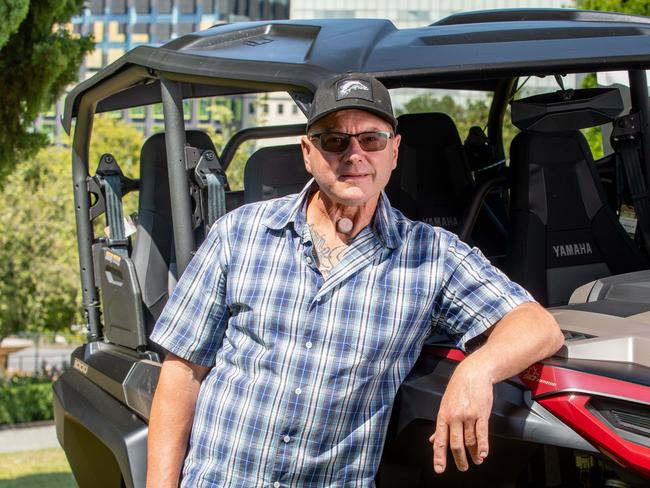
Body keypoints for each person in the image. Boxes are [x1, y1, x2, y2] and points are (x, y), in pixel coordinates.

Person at [147, 73, 564, 488]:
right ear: (308, 152)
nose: (354, 155)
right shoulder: (238, 233)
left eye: (372, 139)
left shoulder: (432, 255)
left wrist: (476, 370)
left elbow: (537, 325)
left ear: (394, 151)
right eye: (334, 141)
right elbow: (182, 372)